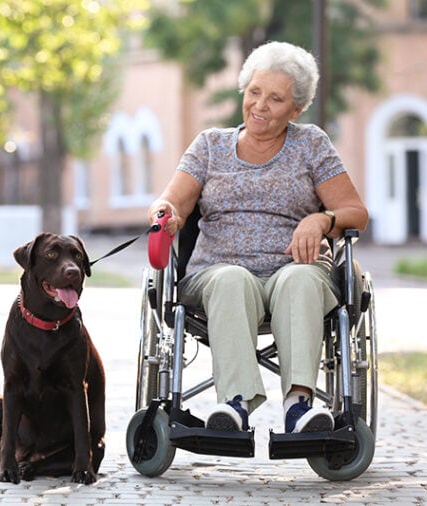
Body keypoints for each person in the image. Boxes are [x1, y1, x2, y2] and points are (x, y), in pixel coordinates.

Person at [147, 41, 369, 434]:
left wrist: (321, 220)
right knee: (232, 278)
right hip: (217, 275)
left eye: (276, 98)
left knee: (300, 278)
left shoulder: (311, 144)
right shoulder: (210, 146)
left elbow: (356, 213)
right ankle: (234, 405)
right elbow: (172, 202)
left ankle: (300, 408)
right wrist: (165, 214)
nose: (260, 106)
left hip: (295, 270)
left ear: (296, 109)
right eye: (254, 92)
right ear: (243, 90)